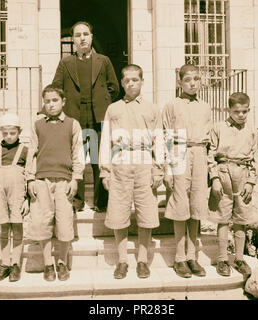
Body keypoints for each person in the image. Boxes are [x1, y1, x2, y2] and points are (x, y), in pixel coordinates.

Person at [99, 64, 164, 279]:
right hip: (120, 161)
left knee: (146, 213)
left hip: (144, 161)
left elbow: (159, 140)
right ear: (121, 83)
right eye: (126, 80)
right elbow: (104, 141)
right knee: (119, 212)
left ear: (142, 81)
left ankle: (143, 260)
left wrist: (158, 169)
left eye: (135, 79)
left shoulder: (153, 109)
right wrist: (105, 171)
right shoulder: (113, 108)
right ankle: (122, 261)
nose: (130, 83)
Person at [52, 21, 119, 213]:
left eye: (86, 34)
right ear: (73, 39)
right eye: (78, 35)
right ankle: (77, 201)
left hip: (97, 119)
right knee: (77, 160)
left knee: (99, 159)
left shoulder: (103, 61)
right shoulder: (66, 63)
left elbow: (113, 87)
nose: (82, 38)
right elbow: (56, 86)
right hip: (75, 119)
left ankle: (101, 202)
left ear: (91, 37)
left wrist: (102, 101)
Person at [25, 85, 85, 281]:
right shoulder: (37, 125)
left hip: (64, 181)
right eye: (47, 101)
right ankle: (48, 264)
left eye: (55, 101)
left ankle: (62, 262)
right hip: (42, 180)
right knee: (42, 223)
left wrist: (76, 179)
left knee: (65, 223)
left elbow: (78, 153)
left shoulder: (72, 124)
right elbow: (32, 154)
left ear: (63, 101)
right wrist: (30, 179)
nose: (51, 105)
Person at [162, 64, 211, 278]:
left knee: (196, 205)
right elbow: (164, 136)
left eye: (196, 79)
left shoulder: (206, 107)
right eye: (188, 79)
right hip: (179, 152)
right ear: (179, 82)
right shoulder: (172, 105)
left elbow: (210, 140)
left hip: (199, 153)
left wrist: (210, 167)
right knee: (180, 206)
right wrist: (167, 168)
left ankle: (193, 256)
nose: (192, 83)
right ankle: (179, 258)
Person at [208, 92, 258, 277]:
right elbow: (211, 155)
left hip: (243, 174)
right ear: (228, 110)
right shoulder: (218, 128)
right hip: (223, 173)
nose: (241, 115)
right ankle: (222, 259)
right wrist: (214, 178)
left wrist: (251, 182)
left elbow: (257, 158)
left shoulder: (253, 131)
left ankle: (239, 258)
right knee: (223, 218)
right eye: (237, 111)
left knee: (241, 218)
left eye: (245, 111)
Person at [0, 113, 29, 282]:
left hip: (18, 196)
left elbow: (30, 175)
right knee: (4, 228)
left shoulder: (25, 151)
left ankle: (15, 264)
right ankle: (5, 264)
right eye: (5, 133)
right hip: (0, 197)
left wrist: (28, 200)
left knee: (17, 227)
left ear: (19, 132)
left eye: (12, 133)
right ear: (1, 132)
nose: (9, 136)